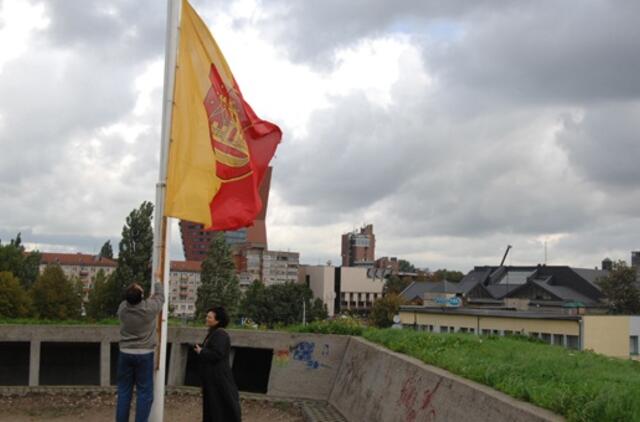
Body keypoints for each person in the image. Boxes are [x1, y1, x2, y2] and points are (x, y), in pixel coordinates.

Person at [116, 282, 164, 422]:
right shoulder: (149, 309)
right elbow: (160, 297)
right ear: (142, 297)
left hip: (125, 353)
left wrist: (137, 291)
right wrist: (157, 281)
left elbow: (133, 299)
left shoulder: (123, 308)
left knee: (124, 393)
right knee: (144, 394)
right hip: (144, 355)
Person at [195, 306, 241, 422]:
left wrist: (202, 351)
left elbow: (217, 354)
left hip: (218, 380)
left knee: (218, 407)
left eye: (209, 317)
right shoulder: (214, 333)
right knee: (213, 406)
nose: (207, 319)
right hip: (213, 378)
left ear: (217, 320)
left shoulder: (220, 334)